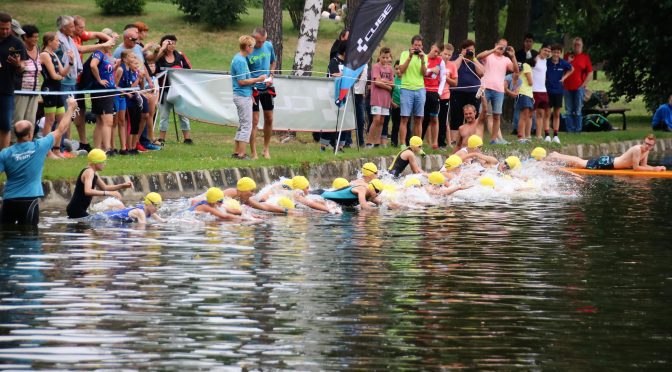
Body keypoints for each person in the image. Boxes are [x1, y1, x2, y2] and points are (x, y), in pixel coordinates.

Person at [0, 97, 76, 225]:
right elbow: (61, 128)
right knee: (30, 238)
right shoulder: (39, 146)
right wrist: (71, 108)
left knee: (6, 238)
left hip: (9, 201)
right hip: (29, 201)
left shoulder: (5, 153)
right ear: (30, 135)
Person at [66, 149, 133, 218]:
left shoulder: (93, 172)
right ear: (96, 162)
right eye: (103, 162)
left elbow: (105, 187)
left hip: (78, 209)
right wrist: (109, 193)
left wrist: (122, 186)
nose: (105, 164)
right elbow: (87, 191)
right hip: (76, 210)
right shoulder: (89, 172)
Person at [477, 38, 519, 144]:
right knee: (482, 114)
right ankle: (478, 139)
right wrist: (494, 49)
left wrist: (513, 56)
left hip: (499, 90)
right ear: (496, 44)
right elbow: (478, 56)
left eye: (504, 47)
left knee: (496, 115)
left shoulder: (506, 59)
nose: (502, 48)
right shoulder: (489, 55)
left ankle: (494, 139)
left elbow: (516, 70)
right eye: (500, 45)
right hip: (485, 88)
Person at [231, 35, 267, 159]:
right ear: (247, 47)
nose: (253, 48)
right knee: (247, 125)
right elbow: (241, 81)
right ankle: (242, 153)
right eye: (252, 46)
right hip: (241, 96)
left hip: (244, 95)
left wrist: (250, 93)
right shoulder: (240, 61)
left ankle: (237, 152)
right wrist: (259, 79)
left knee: (242, 125)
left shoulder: (240, 58)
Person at [547, 134, 666, 171]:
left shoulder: (646, 151)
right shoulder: (637, 149)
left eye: (650, 145)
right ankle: (555, 156)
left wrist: (656, 167)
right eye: (646, 143)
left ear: (652, 146)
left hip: (611, 163)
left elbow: (644, 166)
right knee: (582, 163)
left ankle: (557, 158)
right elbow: (636, 168)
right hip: (609, 163)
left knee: (581, 163)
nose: (647, 146)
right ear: (643, 141)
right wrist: (654, 169)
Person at [40, 31, 74, 159]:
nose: (59, 43)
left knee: (60, 120)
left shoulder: (54, 54)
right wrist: (60, 77)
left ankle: (56, 149)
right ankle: (46, 151)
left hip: (57, 89)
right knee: (50, 120)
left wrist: (70, 62)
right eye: (57, 40)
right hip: (49, 89)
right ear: (49, 42)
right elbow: (54, 76)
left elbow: (63, 73)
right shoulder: (45, 55)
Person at [155, 34, 193, 145]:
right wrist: (161, 49)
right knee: (164, 115)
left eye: (173, 42)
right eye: (168, 42)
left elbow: (189, 69)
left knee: (183, 114)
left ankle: (187, 138)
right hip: (165, 89)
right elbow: (152, 65)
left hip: (179, 90)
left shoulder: (180, 56)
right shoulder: (159, 57)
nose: (171, 45)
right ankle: (162, 138)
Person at [248, 27, 276, 159]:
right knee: (254, 121)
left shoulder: (269, 46)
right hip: (253, 88)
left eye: (263, 41)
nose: (261, 44)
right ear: (253, 38)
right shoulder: (248, 50)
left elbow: (273, 62)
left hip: (267, 86)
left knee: (269, 118)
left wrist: (271, 74)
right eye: (259, 42)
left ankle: (266, 149)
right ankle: (253, 152)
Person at [450, 39, 484, 146]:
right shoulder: (456, 58)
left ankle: (474, 139)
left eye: (472, 50)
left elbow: (482, 72)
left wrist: (473, 58)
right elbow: (453, 69)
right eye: (467, 50)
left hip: (473, 92)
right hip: (458, 91)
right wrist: (461, 56)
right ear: (462, 49)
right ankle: (455, 140)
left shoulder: (476, 60)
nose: (470, 52)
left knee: (474, 116)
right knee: (456, 116)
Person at [0, 12, 26, 150]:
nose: (5, 31)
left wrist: (17, 64)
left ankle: (2, 159)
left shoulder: (17, 43)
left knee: (5, 125)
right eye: (1, 28)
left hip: (6, 89)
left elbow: (22, 68)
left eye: (7, 28)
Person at [398, 35, 427, 146]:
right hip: (406, 88)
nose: (417, 47)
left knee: (419, 118)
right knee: (404, 117)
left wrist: (423, 60)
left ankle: (417, 145)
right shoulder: (405, 54)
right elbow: (401, 70)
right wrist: (410, 57)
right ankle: (402, 145)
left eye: (419, 45)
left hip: (420, 89)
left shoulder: (424, 56)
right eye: (415, 45)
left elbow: (424, 74)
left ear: (422, 46)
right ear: (412, 45)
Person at [89, 38, 116, 154]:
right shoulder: (98, 53)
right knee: (107, 120)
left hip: (107, 90)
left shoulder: (105, 55)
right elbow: (92, 65)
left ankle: (97, 149)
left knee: (101, 121)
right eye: (110, 43)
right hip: (101, 91)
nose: (112, 45)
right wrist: (99, 80)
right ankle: (107, 148)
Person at [13, 25, 41, 129]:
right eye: (34, 37)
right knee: (19, 118)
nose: (36, 39)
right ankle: (14, 142)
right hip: (22, 89)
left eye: (37, 37)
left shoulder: (38, 49)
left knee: (31, 119)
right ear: (25, 37)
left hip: (34, 90)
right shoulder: (19, 50)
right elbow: (18, 69)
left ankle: (28, 142)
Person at [563, 37, 593, 133]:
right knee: (568, 110)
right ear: (572, 45)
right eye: (575, 45)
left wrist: (583, 85)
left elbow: (590, 73)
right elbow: (561, 69)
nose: (577, 46)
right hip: (567, 87)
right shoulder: (567, 56)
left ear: (582, 46)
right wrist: (568, 61)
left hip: (579, 88)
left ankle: (578, 129)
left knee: (578, 109)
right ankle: (570, 130)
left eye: (578, 45)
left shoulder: (585, 57)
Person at [545, 44, 574, 143]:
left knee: (557, 113)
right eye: (554, 52)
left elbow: (571, 69)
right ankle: (547, 135)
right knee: (547, 113)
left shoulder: (563, 63)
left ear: (560, 53)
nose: (556, 54)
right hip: (548, 90)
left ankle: (556, 135)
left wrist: (564, 78)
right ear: (551, 52)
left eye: (558, 52)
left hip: (558, 91)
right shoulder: (547, 62)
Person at [320, 43, 346, 151]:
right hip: (332, 95)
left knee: (343, 120)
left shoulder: (348, 63)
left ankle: (340, 145)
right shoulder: (334, 61)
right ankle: (324, 145)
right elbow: (334, 74)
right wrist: (344, 75)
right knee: (330, 119)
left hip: (344, 95)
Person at [366, 47, 394, 148]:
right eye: (383, 57)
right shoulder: (376, 67)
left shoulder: (390, 69)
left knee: (382, 120)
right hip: (376, 98)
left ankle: (377, 141)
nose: (385, 59)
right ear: (379, 56)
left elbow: (393, 83)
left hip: (385, 99)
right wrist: (388, 86)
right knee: (376, 119)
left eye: (387, 57)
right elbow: (377, 82)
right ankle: (369, 141)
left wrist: (384, 81)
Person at [420, 43, 446, 149]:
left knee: (434, 118)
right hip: (423, 90)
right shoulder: (423, 58)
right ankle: (418, 141)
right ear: (431, 47)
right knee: (422, 118)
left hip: (434, 92)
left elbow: (443, 77)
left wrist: (439, 92)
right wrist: (431, 70)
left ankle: (435, 143)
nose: (436, 54)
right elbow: (421, 72)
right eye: (435, 51)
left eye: (438, 53)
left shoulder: (440, 61)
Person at [223, 177, 289, 214]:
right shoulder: (232, 192)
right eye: (251, 191)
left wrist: (286, 211)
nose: (252, 194)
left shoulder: (244, 198)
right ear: (244, 189)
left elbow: (263, 207)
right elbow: (215, 205)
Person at [100, 192, 164, 224]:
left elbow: (163, 222)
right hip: (102, 218)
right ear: (149, 203)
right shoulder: (140, 212)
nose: (157, 208)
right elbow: (143, 228)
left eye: (159, 206)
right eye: (156, 205)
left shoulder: (150, 212)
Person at [439, 44, 458, 148]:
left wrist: (446, 78)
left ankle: (442, 143)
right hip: (433, 93)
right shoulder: (436, 62)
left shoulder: (452, 65)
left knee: (443, 120)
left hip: (445, 95)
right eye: (445, 54)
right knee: (432, 119)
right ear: (441, 52)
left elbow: (455, 83)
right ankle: (431, 142)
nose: (447, 56)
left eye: (449, 55)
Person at [532, 44, 551, 140]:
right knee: (530, 113)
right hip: (533, 90)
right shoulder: (535, 59)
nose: (546, 53)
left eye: (548, 51)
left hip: (543, 90)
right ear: (540, 50)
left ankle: (538, 135)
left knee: (541, 113)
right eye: (545, 50)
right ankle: (526, 135)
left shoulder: (546, 61)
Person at [516, 60, 534, 143]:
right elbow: (530, 82)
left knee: (528, 115)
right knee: (524, 115)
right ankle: (520, 137)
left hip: (528, 93)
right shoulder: (526, 65)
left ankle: (525, 136)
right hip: (524, 92)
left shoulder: (525, 65)